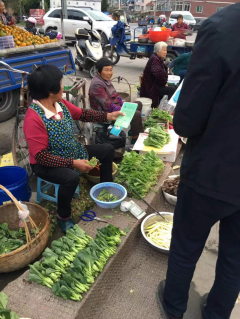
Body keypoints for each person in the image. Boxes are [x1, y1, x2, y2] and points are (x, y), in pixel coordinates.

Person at [157, 3, 240, 319]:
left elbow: (187, 122)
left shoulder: (222, 28)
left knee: (186, 246)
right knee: (234, 258)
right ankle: (217, 313)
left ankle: (174, 306)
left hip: (213, 170)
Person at [23, 65, 123, 233]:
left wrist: (108, 116)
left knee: (107, 150)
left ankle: (105, 189)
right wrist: (73, 163)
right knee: (70, 178)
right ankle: (64, 217)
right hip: (45, 164)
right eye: (61, 84)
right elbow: (41, 157)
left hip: (71, 151)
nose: (63, 87)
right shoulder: (33, 118)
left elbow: (82, 114)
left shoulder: (59, 103)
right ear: (50, 91)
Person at [89, 58, 143, 145]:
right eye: (106, 70)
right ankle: (135, 140)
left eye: (111, 70)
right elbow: (107, 104)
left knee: (138, 104)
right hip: (105, 114)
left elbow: (115, 95)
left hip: (113, 108)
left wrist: (123, 104)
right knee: (135, 114)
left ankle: (133, 130)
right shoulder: (97, 84)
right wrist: (122, 110)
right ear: (98, 71)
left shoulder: (105, 80)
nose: (109, 73)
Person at [140, 42, 176, 108]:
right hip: (151, 88)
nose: (166, 52)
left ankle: (169, 107)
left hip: (155, 85)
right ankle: (167, 108)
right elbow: (158, 74)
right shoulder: (155, 59)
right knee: (172, 89)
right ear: (157, 51)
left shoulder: (158, 59)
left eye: (166, 50)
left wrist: (164, 82)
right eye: (164, 50)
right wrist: (164, 83)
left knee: (175, 87)